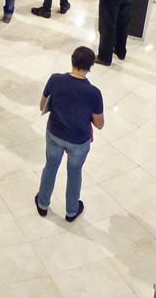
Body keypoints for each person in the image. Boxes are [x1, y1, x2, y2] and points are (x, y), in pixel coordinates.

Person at [35, 46, 104, 223]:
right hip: (79, 141)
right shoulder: (94, 93)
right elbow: (99, 124)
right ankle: (72, 211)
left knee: (51, 165)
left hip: (55, 133)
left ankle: (42, 203)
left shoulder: (55, 79)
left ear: (72, 60)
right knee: (74, 172)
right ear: (90, 67)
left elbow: (42, 106)